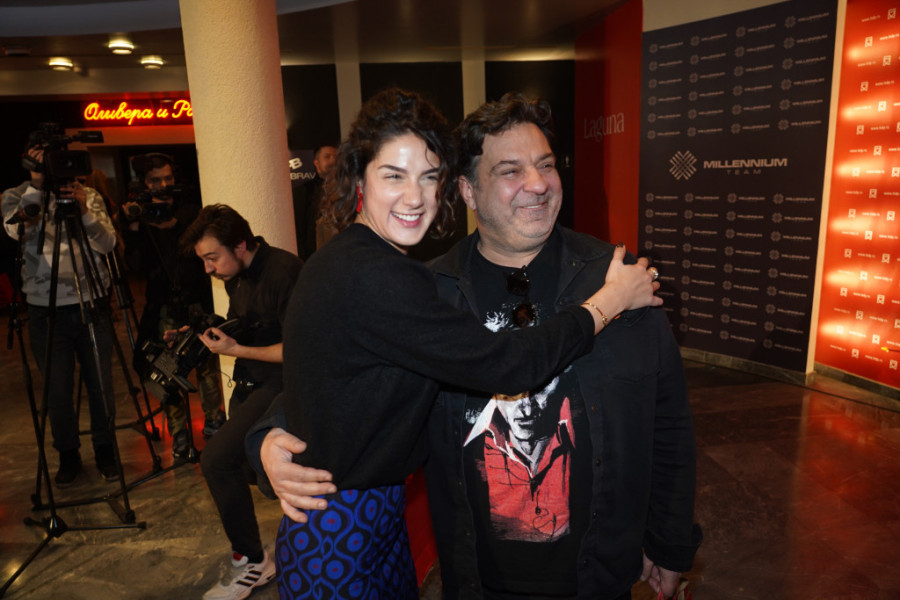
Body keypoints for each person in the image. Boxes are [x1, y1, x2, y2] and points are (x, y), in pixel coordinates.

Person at [258, 93, 701, 599]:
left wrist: (670, 543)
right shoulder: (429, 289)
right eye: (511, 170)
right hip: (473, 578)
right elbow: (330, 378)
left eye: (546, 165)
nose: (538, 184)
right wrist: (267, 437)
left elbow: (668, 420)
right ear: (468, 190)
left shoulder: (620, 277)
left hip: (597, 576)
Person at [177, 204, 302, 600]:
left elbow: (300, 350)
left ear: (241, 245)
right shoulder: (236, 276)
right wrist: (202, 333)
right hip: (254, 379)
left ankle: (252, 561)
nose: (208, 269)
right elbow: (247, 324)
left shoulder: (285, 272)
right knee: (242, 466)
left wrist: (237, 350)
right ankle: (271, 552)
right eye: (204, 260)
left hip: (286, 383)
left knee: (216, 460)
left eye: (212, 257)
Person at [2, 141, 119, 485]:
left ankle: (105, 450)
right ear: (28, 161)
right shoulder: (15, 196)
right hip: (46, 308)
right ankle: (68, 454)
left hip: (92, 303)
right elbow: (15, 231)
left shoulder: (87, 194)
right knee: (57, 390)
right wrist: (37, 187)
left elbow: (108, 244)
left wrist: (84, 211)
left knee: (101, 385)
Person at [120, 152, 226, 458]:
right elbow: (136, 265)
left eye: (168, 178)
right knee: (167, 370)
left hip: (197, 302)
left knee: (207, 368)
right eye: (155, 180)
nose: (163, 185)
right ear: (144, 183)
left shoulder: (190, 211)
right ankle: (179, 432)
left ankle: (216, 423)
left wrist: (176, 223)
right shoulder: (141, 217)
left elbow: (199, 254)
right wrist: (135, 227)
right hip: (163, 307)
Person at [292, 144, 337, 260]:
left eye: (336, 157)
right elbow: (298, 230)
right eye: (327, 157)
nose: (333, 161)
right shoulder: (303, 191)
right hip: (312, 257)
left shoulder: (345, 190)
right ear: (316, 162)